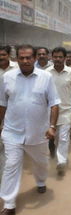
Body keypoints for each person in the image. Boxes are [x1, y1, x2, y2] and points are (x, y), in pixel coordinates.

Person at [0, 44, 60, 215]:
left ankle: (41, 181)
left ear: (34, 58)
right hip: (12, 131)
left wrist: (52, 126)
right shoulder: (7, 77)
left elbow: (54, 103)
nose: (25, 61)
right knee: (11, 165)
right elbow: (2, 104)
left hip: (38, 133)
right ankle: (9, 204)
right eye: (21, 58)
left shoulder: (46, 77)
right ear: (16, 58)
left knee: (40, 162)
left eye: (28, 58)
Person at [46, 47, 71, 176]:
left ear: (65, 58)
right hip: (50, 111)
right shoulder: (46, 73)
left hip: (66, 111)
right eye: (55, 57)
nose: (57, 59)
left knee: (63, 137)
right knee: (54, 138)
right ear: (51, 57)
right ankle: (58, 155)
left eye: (60, 57)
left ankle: (61, 162)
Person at [0, 45, 18, 181]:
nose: (1, 57)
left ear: (8, 55)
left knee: (8, 147)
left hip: (11, 114)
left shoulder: (17, 69)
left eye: (3, 55)